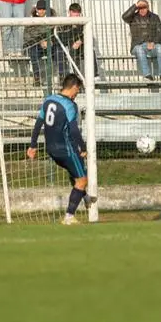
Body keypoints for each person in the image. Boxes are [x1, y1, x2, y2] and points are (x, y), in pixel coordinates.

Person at [26, 74, 95, 225]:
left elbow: (38, 124)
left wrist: (32, 145)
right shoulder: (69, 105)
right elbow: (74, 131)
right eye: (78, 90)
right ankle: (69, 216)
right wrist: (82, 148)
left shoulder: (49, 99)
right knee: (82, 180)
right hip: (66, 149)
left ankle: (84, 197)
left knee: (75, 174)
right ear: (74, 87)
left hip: (51, 149)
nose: (77, 93)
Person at [122, 0, 161, 81]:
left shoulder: (154, 17)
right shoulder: (133, 17)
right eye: (140, 7)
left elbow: (160, 33)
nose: (142, 9)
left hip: (152, 44)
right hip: (137, 45)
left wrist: (154, 42)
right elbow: (124, 16)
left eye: (144, 7)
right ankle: (147, 75)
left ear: (148, 7)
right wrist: (135, 5)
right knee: (139, 49)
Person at [26, 0, 61, 87]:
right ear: (36, 9)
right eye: (39, 9)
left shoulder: (53, 19)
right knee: (33, 51)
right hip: (37, 45)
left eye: (43, 9)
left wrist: (51, 41)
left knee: (59, 51)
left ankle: (62, 75)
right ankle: (37, 77)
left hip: (51, 45)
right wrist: (40, 42)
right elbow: (28, 35)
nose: (41, 11)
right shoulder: (31, 20)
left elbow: (58, 33)